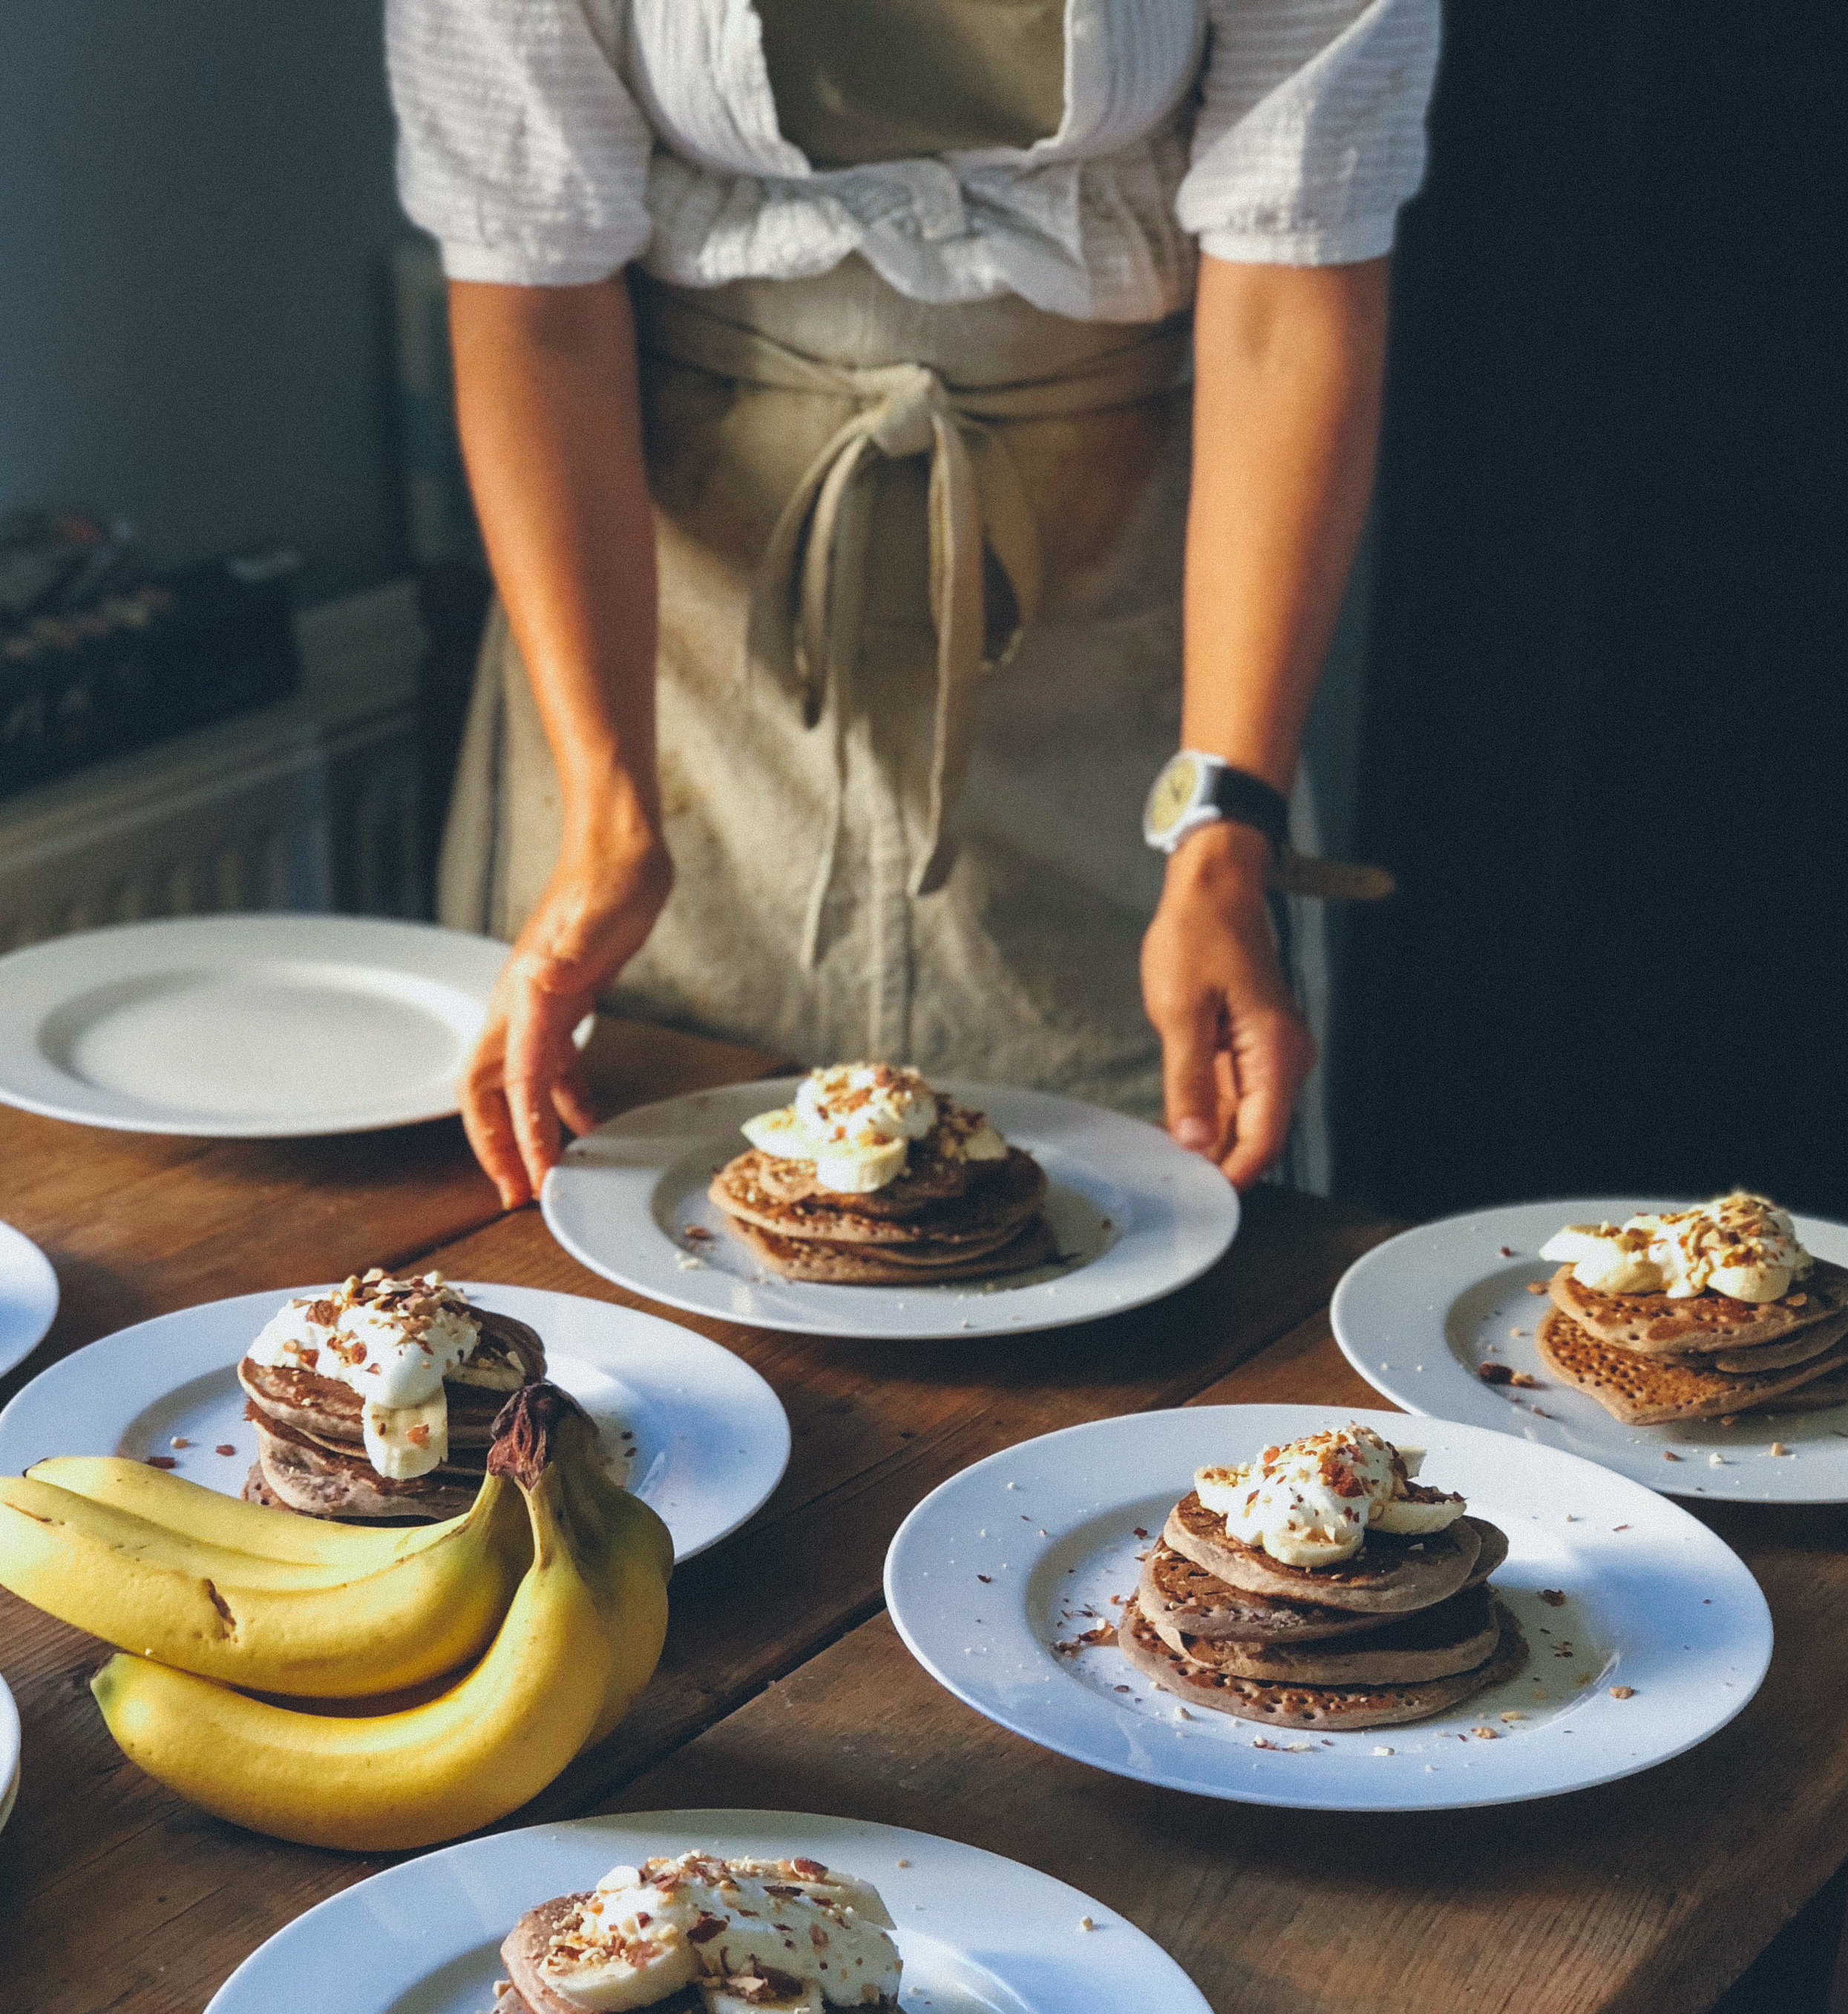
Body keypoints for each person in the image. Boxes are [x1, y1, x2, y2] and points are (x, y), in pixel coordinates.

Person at [387, 0, 1438, 1209]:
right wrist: (609, 812)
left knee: (1132, 1239)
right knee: (630, 1236)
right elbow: (537, 308)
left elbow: (1286, 303)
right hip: (661, 666)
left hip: (1115, 650)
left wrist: (1221, 830)